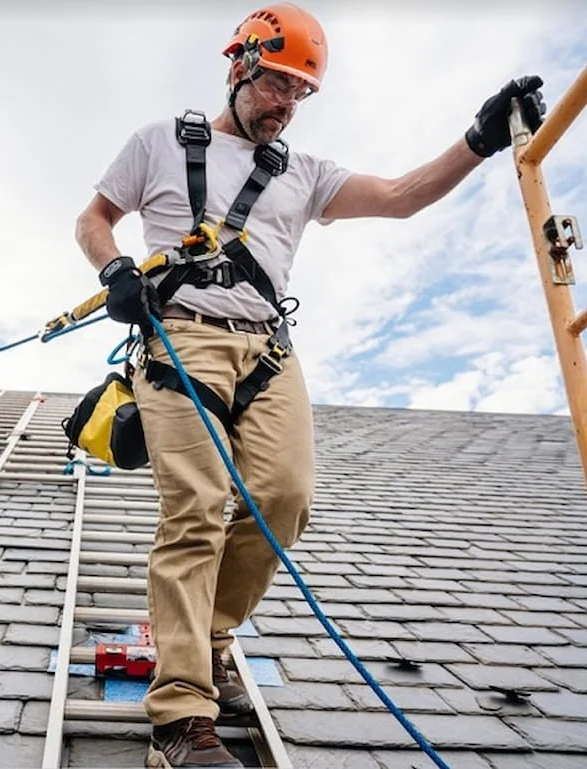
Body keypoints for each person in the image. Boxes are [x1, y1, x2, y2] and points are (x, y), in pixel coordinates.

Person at [73, 4, 546, 766]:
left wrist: (480, 140)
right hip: (178, 339)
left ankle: (211, 631)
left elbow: (401, 195)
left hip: (267, 351)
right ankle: (180, 716)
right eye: (275, 86)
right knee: (194, 510)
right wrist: (116, 268)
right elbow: (94, 217)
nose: (285, 104)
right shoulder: (158, 143)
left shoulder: (305, 173)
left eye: (299, 93)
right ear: (239, 68)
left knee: (284, 498)